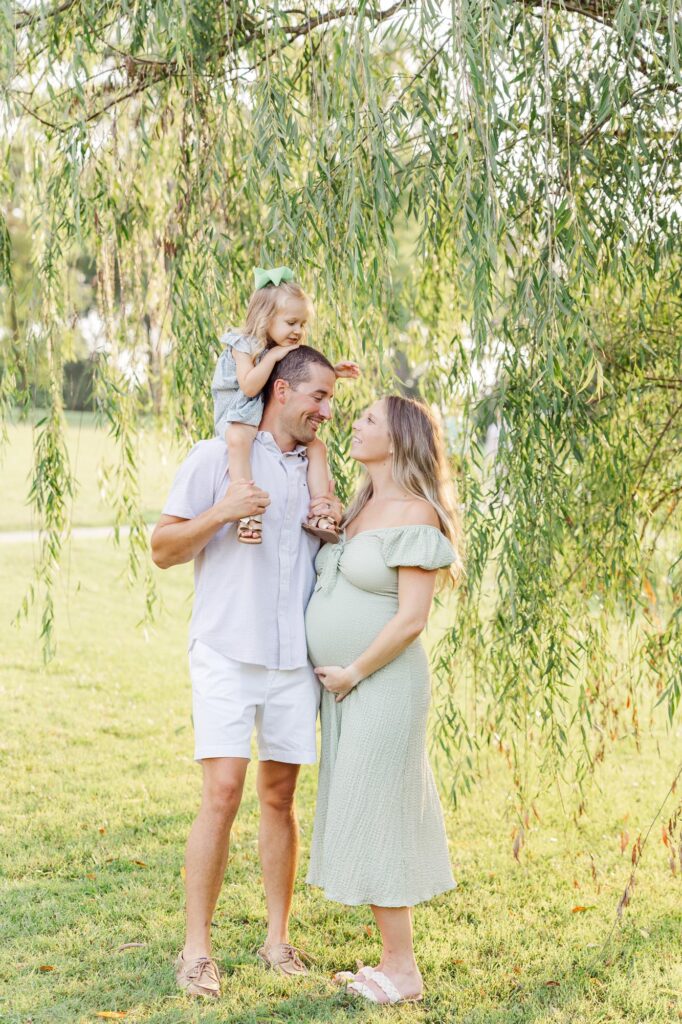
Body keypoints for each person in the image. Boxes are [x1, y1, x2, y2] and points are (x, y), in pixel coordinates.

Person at [151, 346, 342, 999]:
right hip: (227, 652)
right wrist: (222, 514)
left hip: (293, 662)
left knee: (280, 799)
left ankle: (277, 938)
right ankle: (197, 950)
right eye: (318, 397)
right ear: (281, 392)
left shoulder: (316, 474)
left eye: (332, 401)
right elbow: (161, 549)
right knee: (223, 794)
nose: (326, 411)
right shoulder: (217, 457)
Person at [305, 394, 464, 1006]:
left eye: (368, 418)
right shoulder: (359, 506)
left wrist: (353, 672)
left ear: (397, 438)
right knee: (367, 808)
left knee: (379, 811)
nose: (354, 423)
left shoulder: (416, 515)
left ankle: (403, 972)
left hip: (384, 683)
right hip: (347, 686)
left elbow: (411, 620)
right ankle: (391, 961)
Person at [212, 265, 359, 544]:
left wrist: (333, 370)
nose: (298, 331)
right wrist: (273, 356)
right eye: (291, 323)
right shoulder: (243, 345)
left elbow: (302, 374)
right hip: (239, 412)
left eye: (302, 325)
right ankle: (246, 509)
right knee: (238, 440)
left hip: (260, 410)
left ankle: (321, 510)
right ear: (265, 318)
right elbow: (250, 386)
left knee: (317, 447)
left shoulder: (279, 345)